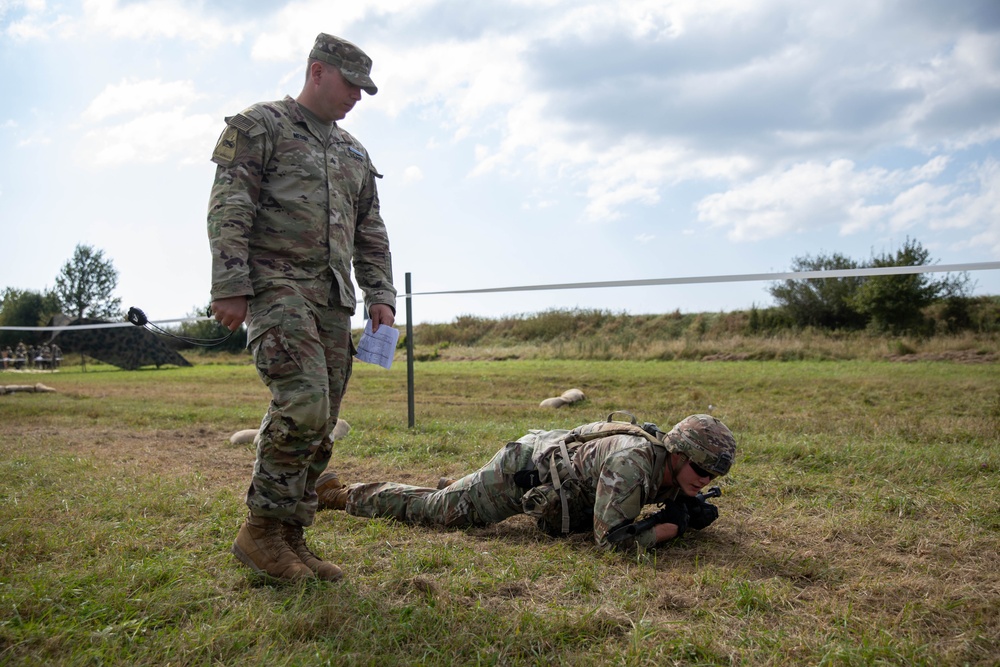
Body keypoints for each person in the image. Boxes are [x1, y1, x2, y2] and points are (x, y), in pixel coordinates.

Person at [207, 33, 396, 582]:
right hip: (275, 287)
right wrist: (230, 283)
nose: (357, 97)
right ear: (317, 72)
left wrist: (380, 293)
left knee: (325, 418)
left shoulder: (355, 151)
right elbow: (229, 204)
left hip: (333, 298)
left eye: (365, 89)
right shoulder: (259, 125)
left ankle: (290, 534)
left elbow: (370, 230)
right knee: (305, 401)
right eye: (350, 84)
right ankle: (261, 531)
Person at [315, 413, 736, 551]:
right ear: (677, 454)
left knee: (454, 497)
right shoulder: (633, 463)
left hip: (549, 464)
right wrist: (675, 525)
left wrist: (678, 505)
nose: (706, 480)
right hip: (522, 472)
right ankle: (337, 494)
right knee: (440, 512)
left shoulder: (668, 467)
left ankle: (461, 487)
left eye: (713, 476)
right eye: (701, 471)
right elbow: (612, 542)